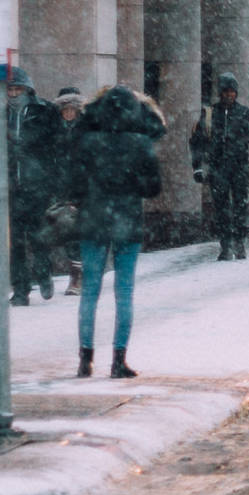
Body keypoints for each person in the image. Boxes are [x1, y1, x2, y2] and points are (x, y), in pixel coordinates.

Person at [73, 86, 166, 379]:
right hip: (127, 221)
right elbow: (153, 188)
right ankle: (118, 361)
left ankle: (85, 359)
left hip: (94, 220)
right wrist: (131, 183)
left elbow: (73, 185)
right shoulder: (140, 143)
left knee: (89, 291)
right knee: (124, 293)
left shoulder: (86, 142)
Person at [0, 68, 66, 305]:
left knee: (38, 236)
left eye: (18, 88)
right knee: (15, 241)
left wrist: (53, 178)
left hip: (38, 185)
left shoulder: (45, 110)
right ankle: (20, 290)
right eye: (11, 89)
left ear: (28, 89)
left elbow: (60, 145)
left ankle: (43, 272)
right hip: (11, 186)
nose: (14, 93)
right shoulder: (1, 113)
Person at [190, 73, 249, 260]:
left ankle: (239, 241)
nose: (229, 95)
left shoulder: (245, 114)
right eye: (226, 91)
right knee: (221, 206)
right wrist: (197, 166)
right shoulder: (210, 114)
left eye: (232, 91)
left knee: (240, 205)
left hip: (239, 166)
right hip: (218, 166)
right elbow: (197, 141)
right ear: (221, 93)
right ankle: (226, 244)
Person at [53, 88, 87, 294]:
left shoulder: (84, 131)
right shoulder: (55, 130)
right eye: (64, 109)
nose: (68, 113)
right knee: (68, 233)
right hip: (61, 187)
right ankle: (77, 275)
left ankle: (78, 277)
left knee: (77, 233)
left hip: (81, 188)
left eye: (71, 109)